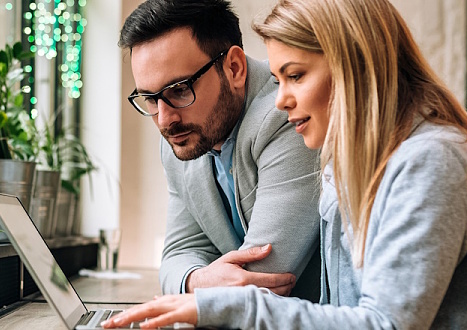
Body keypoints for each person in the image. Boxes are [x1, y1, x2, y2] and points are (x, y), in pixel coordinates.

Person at [104, 0, 467, 328]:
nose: (280, 99)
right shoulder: (349, 163)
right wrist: (204, 292)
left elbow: (383, 323)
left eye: (295, 76)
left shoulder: (430, 160)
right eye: (278, 79)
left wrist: (220, 303)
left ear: (354, 69)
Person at [118, 0, 322, 302]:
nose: (165, 120)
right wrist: (196, 280)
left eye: (180, 90)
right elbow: (178, 255)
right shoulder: (184, 136)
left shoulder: (291, 114)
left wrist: (197, 283)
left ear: (234, 68)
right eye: (150, 98)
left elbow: (261, 277)